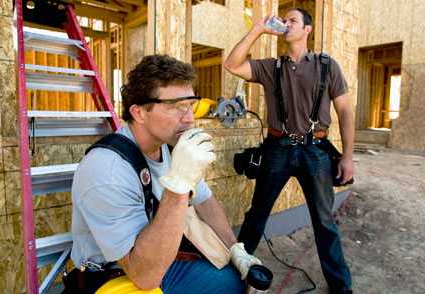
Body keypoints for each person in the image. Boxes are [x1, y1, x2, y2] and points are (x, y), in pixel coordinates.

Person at [70, 54, 262, 293]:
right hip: (115, 273)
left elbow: (204, 201)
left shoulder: (170, 147)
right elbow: (144, 276)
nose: (190, 119)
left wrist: (236, 250)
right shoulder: (106, 170)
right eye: (176, 107)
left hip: (161, 257)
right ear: (139, 113)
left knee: (234, 282)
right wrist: (179, 185)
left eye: (190, 105)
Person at [224, 8, 354, 293]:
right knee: (257, 214)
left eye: (292, 20)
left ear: (307, 29)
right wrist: (258, 29)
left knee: (323, 221)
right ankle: (233, 276)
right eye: (283, 20)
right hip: (277, 148)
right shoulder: (272, 67)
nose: (285, 24)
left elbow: (344, 110)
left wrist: (347, 156)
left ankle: (341, 287)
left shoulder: (326, 65)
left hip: (316, 151)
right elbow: (232, 64)